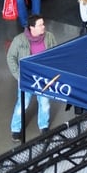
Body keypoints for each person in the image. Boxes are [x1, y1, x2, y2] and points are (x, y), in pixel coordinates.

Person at [8, 15, 55, 144]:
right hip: (27, 77)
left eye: (43, 24)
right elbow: (11, 58)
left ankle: (43, 126)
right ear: (31, 28)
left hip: (43, 77)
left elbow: (55, 54)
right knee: (23, 103)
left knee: (45, 102)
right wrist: (19, 76)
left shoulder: (49, 37)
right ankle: (16, 128)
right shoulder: (19, 40)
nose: (43, 27)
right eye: (40, 25)